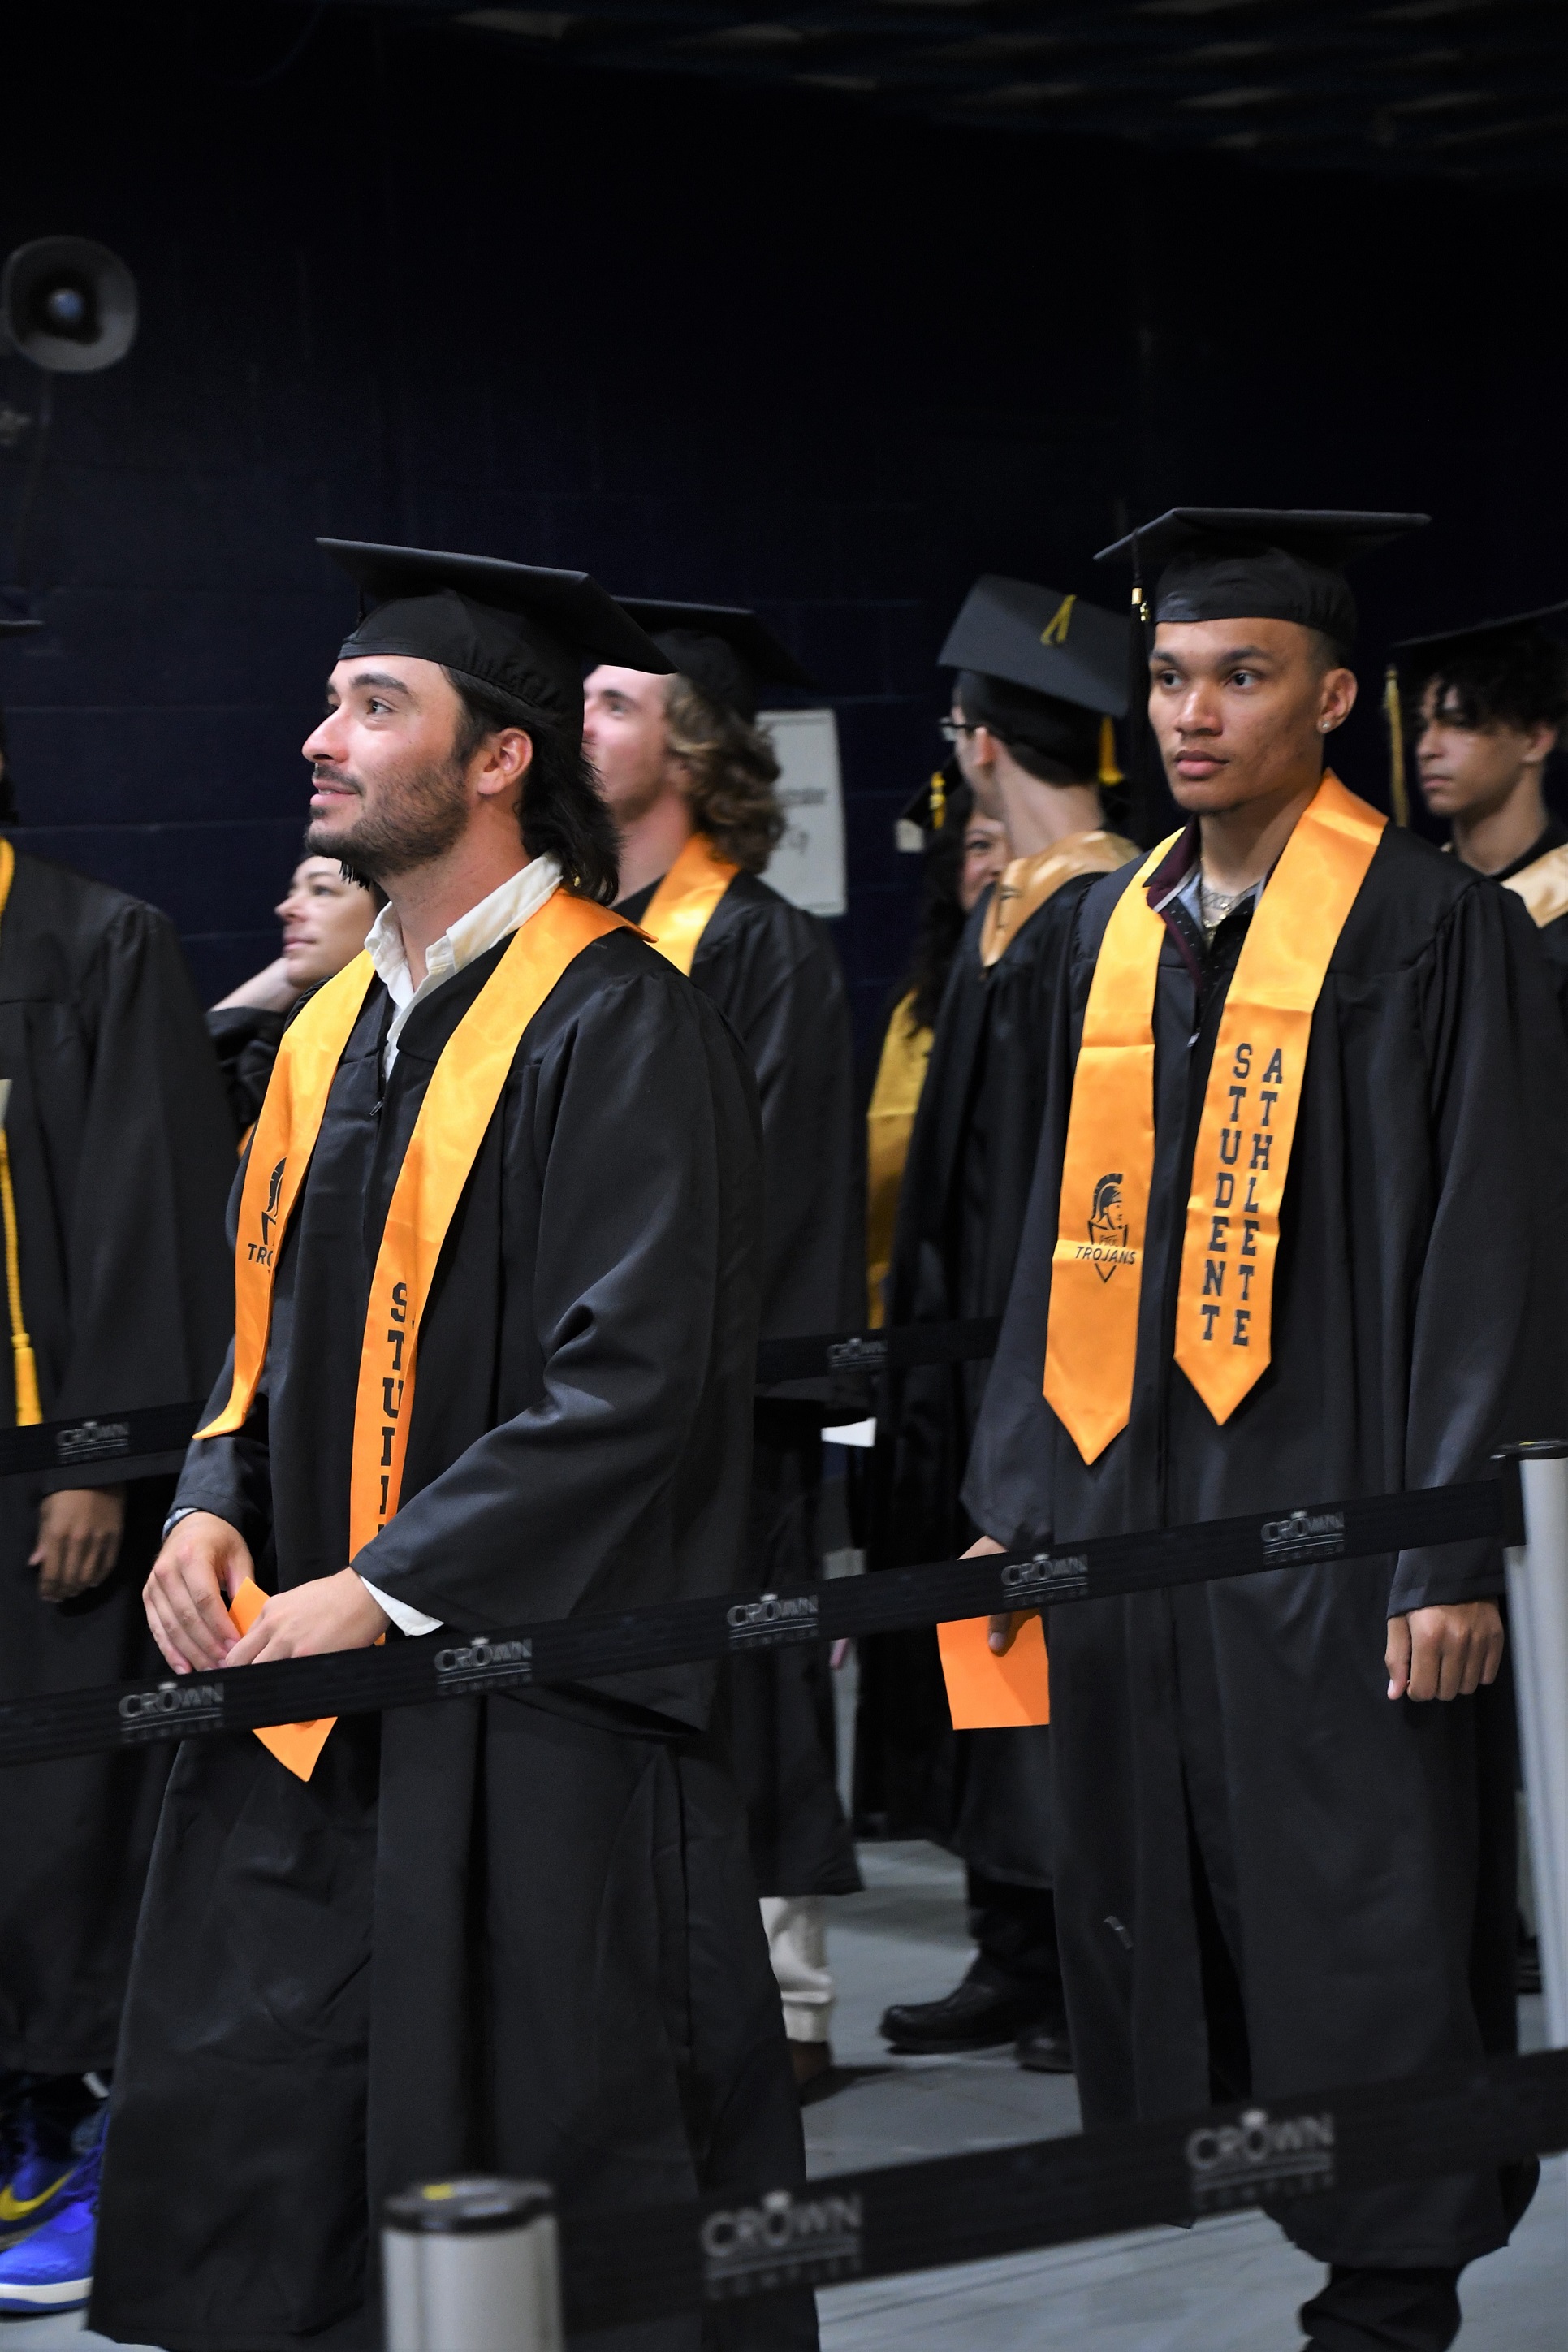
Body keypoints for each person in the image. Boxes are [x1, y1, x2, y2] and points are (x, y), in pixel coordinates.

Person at [90, 543, 811, 2352]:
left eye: (371, 706)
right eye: (333, 701)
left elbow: (630, 1386)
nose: (319, 738)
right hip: (309, 1695)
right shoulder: (343, 1025)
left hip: (528, 1707)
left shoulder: (617, 1016)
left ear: (499, 758)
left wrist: (388, 1582)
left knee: (552, 2177)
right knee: (292, 2165)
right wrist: (201, 1498)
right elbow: (256, 1339)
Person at [969, 508, 1564, 2352]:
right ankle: (1263, 2205)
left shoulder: (1433, 930)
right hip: (1134, 1519)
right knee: (1160, 1884)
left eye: (1239, 675)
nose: (1192, 713)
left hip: (1341, 1522)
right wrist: (1012, 1493)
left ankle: (1387, 2290)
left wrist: (1441, 1542)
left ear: (1329, 697)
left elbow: (1490, 1254)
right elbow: (1045, 1242)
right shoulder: (1117, 930)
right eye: (1166, 677)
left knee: (1361, 1897)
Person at [583, 600, 862, 2090]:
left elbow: (785, 1212)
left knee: (750, 1685)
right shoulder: (586, 941)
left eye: (617, 704)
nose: (582, 726)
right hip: (602, 1412)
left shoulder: (758, 947)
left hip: (726, 1409)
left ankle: (786, 1997)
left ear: (690, 744)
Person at [861, 577, 1138, 2073]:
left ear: (974, 744)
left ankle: (1087, 1947)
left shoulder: (1098, 914)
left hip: (1052, 1368)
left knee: (1054, 1667)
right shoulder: (1008, 916)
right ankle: (1013, 1945)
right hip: (966, 1365)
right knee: (986, 1662)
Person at [0, 619, 236, 2316]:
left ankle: (74, 2119)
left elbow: (151, 1221)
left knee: (59, 1821)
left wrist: (103, 1462)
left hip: (47, 1488)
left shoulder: (96, 939)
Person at [866, 764, 1008, 1328]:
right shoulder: (914, 1011)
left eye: (1012, 841)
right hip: (936, 1289)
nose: (996, 864)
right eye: (977, 845)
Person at [1397, 603, 1568, 1011]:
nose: (1426, 749)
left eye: (1459, 723)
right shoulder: (1410, 899)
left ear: (1535, 739)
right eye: (1423, 726)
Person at [207, 856, 384, 1132]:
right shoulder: (295, 1039)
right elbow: (187, 1107)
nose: (285, 908)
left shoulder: (400, 1040)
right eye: (293, 891)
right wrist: (288, 973)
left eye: (321, 890)